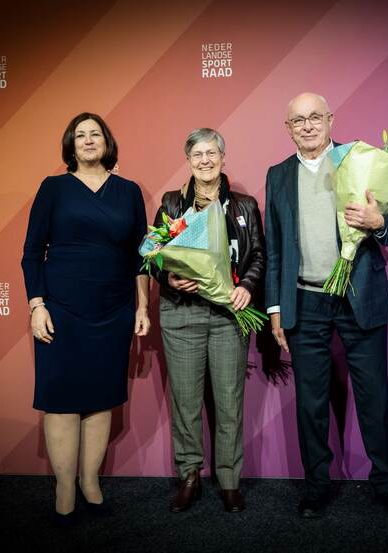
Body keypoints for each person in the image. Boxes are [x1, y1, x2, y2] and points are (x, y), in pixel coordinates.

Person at [264, 92, 388, 520]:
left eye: (315, 117)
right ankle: (316, 486)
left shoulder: (358, 159)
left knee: (374, 396)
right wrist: (274, 308)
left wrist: (380, 222)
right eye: (298, 120)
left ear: (330, 120)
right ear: (287, 128)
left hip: (358, 296)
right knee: (310, 402)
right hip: (304, 301)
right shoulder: (277, 175)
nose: (307, 126)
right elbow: (275, 248)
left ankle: (385, 483)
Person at [21, 112, 150, 526]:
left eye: (96, 134)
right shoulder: (53, 188)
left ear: (107, 142)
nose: (89, 140)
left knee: (100, 397)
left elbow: (142, 256)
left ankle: (91, 483)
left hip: (113, 310)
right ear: (71, 145)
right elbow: (30, 252)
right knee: (61, 399)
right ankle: (63, 489)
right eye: (81, 135)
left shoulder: (129, 192)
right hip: (61, 309)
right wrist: (36, 305)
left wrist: (142, 306)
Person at [153, 128, 265, 513]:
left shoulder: (245, 206)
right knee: (185, 402)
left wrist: (247, 286)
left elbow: (259, 256)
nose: (205, 160)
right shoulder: (170, 204)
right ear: (188, 161)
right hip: (181, 315)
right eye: (197, 154)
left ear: (222, 158)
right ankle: (189, 477)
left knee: (229, 402)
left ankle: (230, 481)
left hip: (228, 315)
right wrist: (167, 276)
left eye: (212, 153)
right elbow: (151, 257)